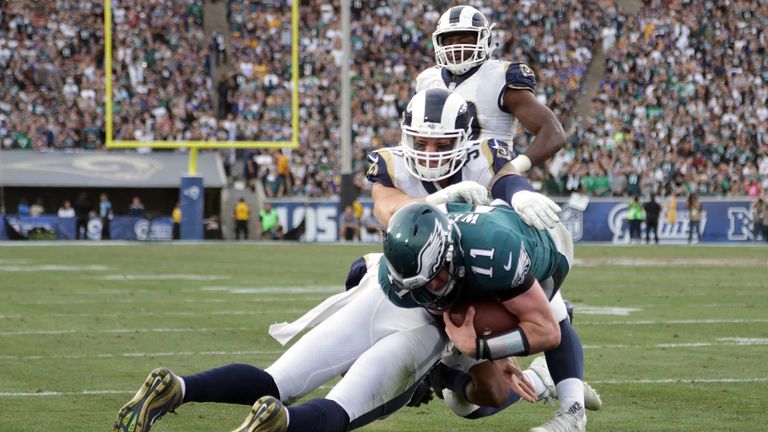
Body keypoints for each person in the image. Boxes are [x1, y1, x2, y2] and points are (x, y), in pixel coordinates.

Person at [113, 90, 595, 432]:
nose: (428, 153)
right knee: (340, 402)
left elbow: (509, 184)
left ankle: (180, 387)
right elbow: (389, 211)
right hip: (410, 285)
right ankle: (269, 419)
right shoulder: (396, 168)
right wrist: (446, 200)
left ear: (466, 140)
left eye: (440, 144)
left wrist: (522, 194)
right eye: (420, 143)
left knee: (481, 388)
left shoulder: (498, 204)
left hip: (437, 283)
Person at [380, 201, 587, 430]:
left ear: (449, 251)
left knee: (511, 317)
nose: (433, 288)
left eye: (437, 274)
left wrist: (481, 347)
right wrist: (428, 371)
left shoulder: (494, 250)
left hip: (542, 244)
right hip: (476, 259)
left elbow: (547, 332)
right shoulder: (394, 282)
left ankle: (573, 411)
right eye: (421, 285)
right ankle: (539, 379)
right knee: (466, 402)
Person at [414, 5, 566, 175]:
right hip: (436, 179)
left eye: (464, 39)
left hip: (489, 184)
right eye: (448, 41)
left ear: (483, 40)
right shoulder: (427, 80)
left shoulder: (500, 76)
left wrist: (514, 168)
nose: (455, 47)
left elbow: (553, 132)